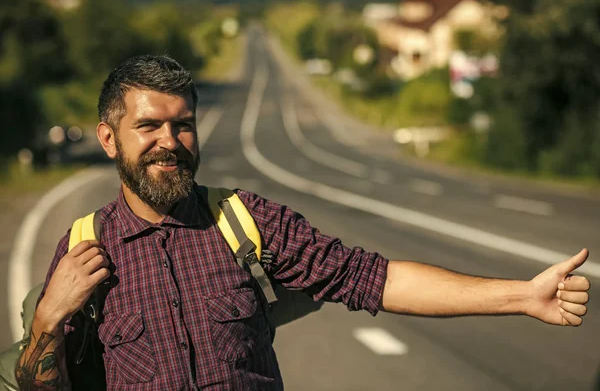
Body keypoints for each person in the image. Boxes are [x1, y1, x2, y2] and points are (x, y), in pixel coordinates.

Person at [15, 55, 591, 390]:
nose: (171, 143)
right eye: (150, 127)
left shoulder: (245, 220)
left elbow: (376, 279)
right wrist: (47, 320)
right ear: (109, 139)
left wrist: (521, 296)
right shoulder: (85, 248)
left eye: (183, 125)